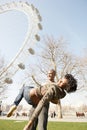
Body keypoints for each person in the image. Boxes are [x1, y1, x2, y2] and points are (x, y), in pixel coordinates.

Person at [7, 73, 77, 130]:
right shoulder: (62, 94)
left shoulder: (52, 88)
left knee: (24, 88)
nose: (59, 81)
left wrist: (29, 124)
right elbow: (55, 100)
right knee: (40, 125)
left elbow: (42, 103)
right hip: (36, 102)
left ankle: (14, 104)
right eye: (60, 79)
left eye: (61, 81)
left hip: (30, 96)